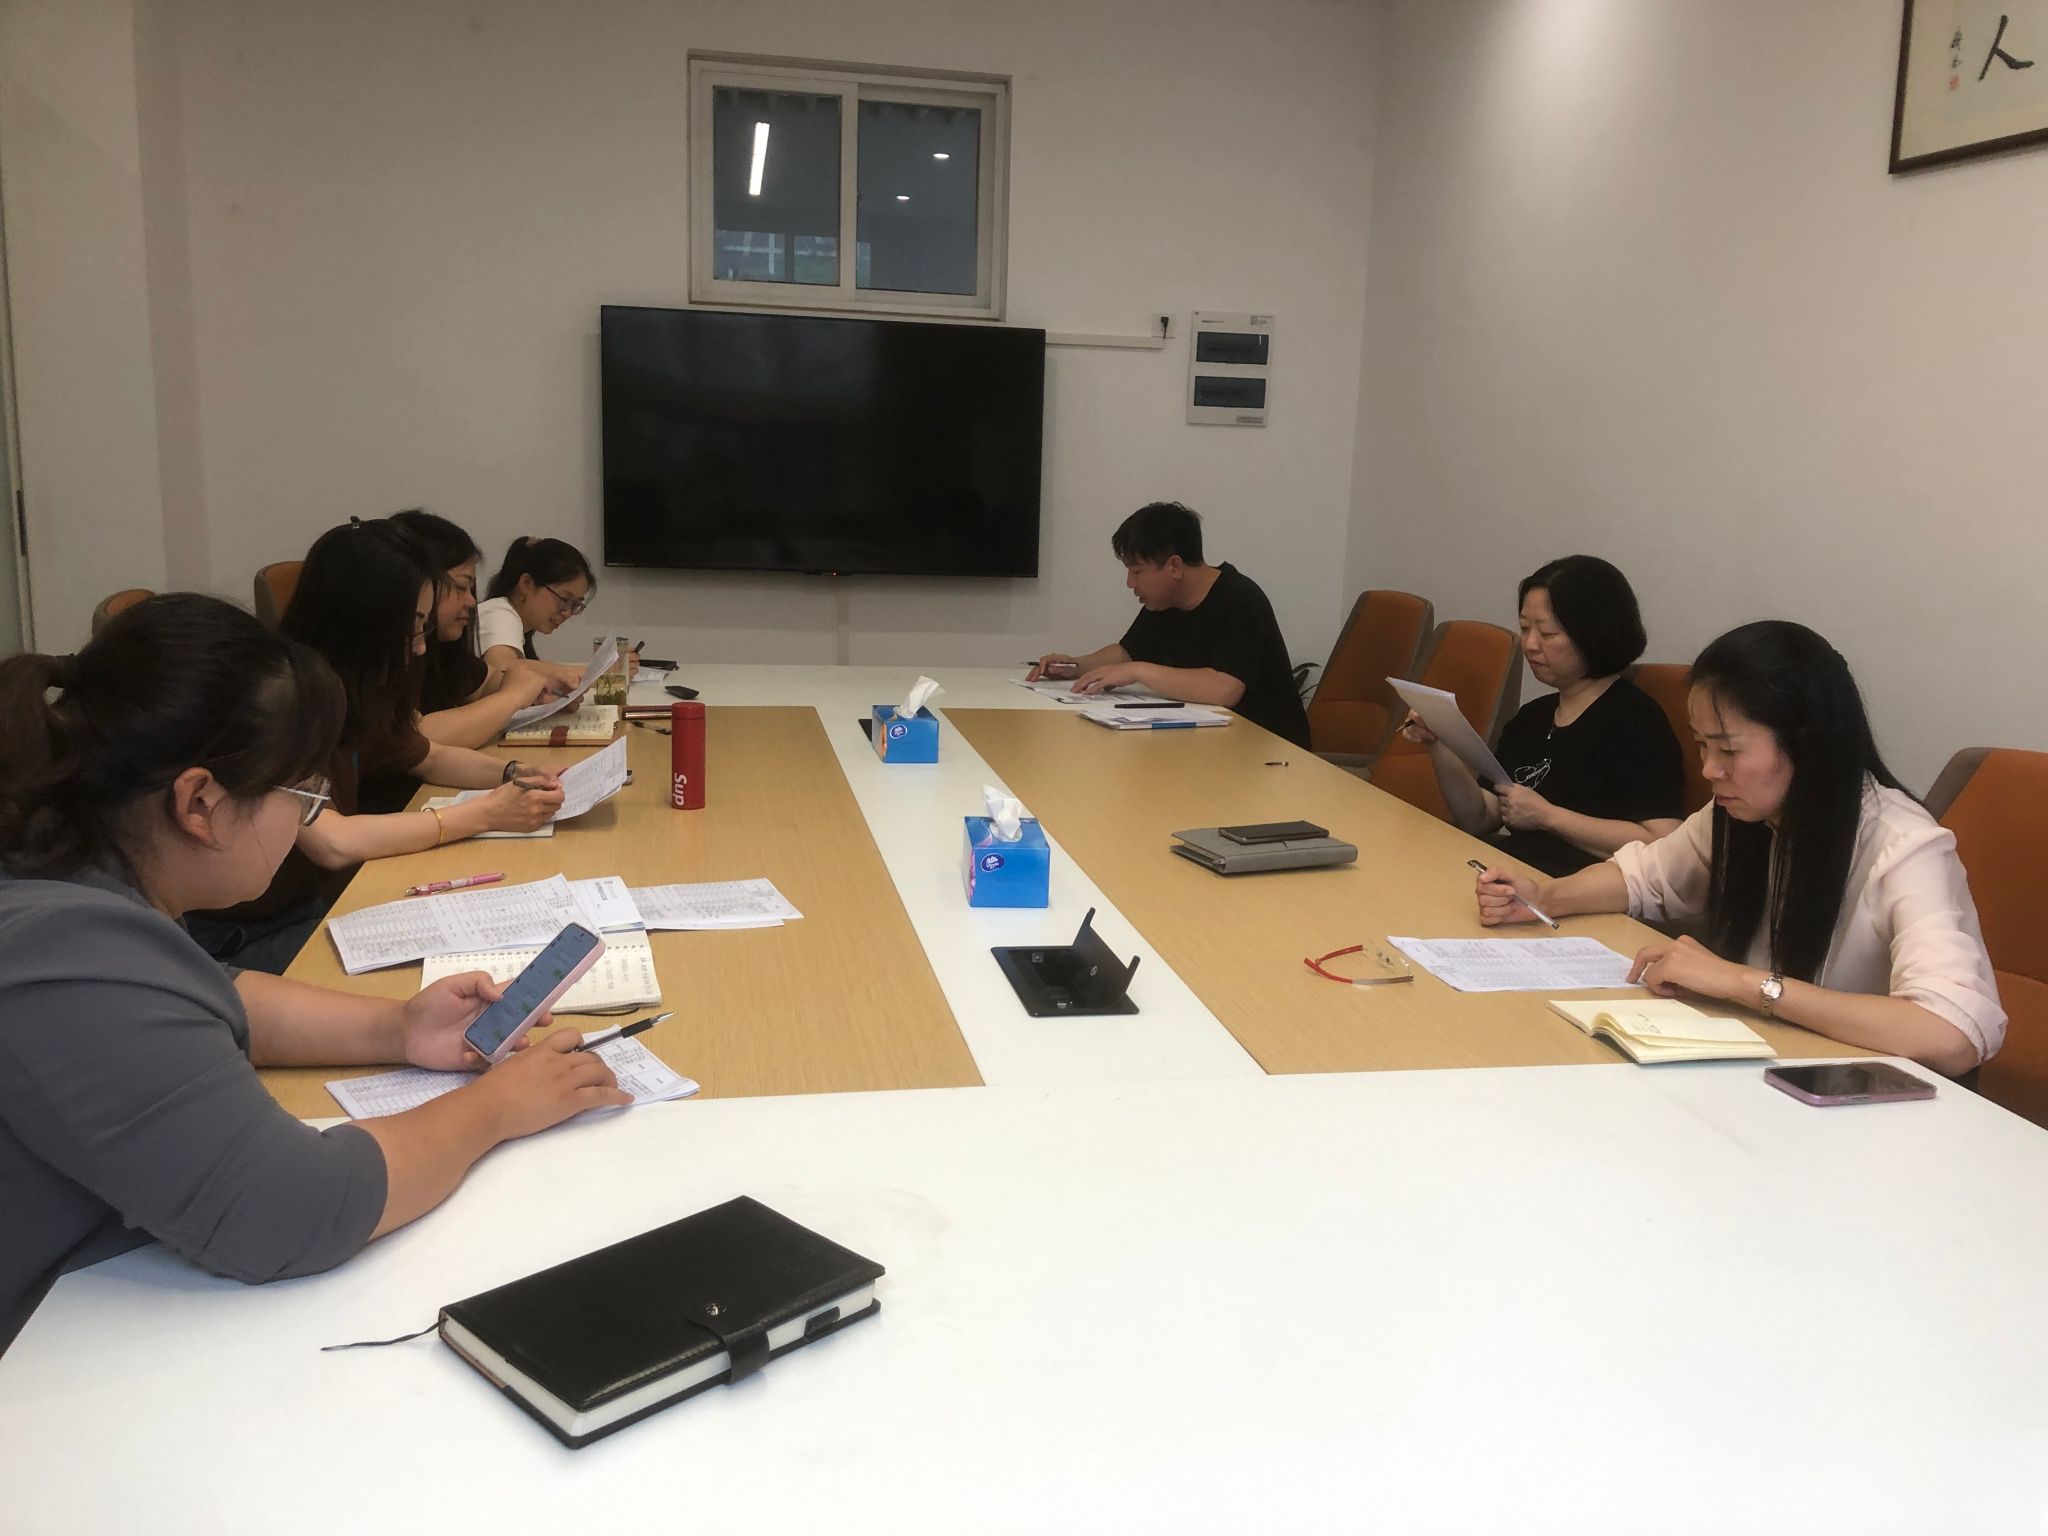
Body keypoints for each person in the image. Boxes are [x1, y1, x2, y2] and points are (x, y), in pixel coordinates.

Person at [0, 594, 630, 1352]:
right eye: (303, 796)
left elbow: (205, 992)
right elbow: (290, 1211)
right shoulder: (68, 958)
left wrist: (396, 1027)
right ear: (199, 802)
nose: (309, 817)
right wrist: (495, 1108)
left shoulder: (72, 873)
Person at [1473, 620, 2005, 1075]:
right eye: (1702, 745)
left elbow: (1952, 1033)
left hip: (1861, 1099)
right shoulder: (1742, 812)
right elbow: (1645, 875)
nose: (1709, 770)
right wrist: (1546, 896)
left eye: (1728, 750)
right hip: (1765, 1066)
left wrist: (1744, 983)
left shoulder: (1905, 846)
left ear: (1806, 742)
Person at [186, 519, 565, 971]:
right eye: (414, 627)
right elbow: (332, 841)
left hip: (310, 901)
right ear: (365, 621)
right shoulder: (286, 698)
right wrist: (485, 813)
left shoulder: (358, 685)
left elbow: (427, 755)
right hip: (247, 936)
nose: (420, 648)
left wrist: (514, 773)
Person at [1400, 555, 1685, 876]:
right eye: (1525, 628)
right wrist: (1438, 743)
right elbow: (1480, 818)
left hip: (1581, 886)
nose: (1530, 644)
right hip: (1510, 873)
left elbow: (1661, 843)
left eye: (1547, 634)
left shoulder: (1635, 720)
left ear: (1594, 634)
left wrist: (1548, 817)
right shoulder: (1532, 717)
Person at [1027, 501, 1311, 747]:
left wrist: (1136, 671)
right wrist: (1074, 666)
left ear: (1174, 566)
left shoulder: (1241, 599)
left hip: (1266, 751)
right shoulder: (1165, 601)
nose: (1130, 583)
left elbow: (1225, 689)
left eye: (1137, 571)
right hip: (1206, 744)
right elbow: (1127, 653)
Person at [389, 509, 571, 749]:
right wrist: (514, 696)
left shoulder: (440, 647)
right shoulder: (389, 652)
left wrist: (538, 686)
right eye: (461, 587)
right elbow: (415, 738)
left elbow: (485, 680)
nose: (471, 601)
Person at [477, 536, 604, 673]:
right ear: (526, 584)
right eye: (565, 599)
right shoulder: (499, 614)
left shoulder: (517, 623)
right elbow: (504, 670)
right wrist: (584, 672)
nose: (567, 613)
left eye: (575, 605)